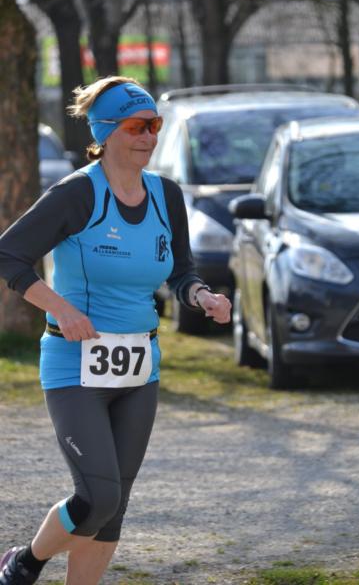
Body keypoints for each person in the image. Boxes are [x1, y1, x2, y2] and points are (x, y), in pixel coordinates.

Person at [0, 76, 231, 585]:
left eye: (154, 125)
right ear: (105, 132)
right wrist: (60, 309)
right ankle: (24, 564)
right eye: (136, 127)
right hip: (75, 365)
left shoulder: (166, 194)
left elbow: (181, 271)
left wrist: (202, 296)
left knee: (115, 505)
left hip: (139, 368)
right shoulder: (78, 193)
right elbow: (9, 255)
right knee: (98, 496)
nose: (149, 136)